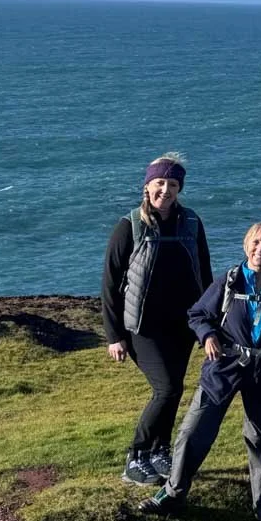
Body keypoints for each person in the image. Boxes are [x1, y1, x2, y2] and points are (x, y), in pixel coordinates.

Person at [139, 222, 261, 521]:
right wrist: (207, 335)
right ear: (247, 246)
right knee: (193, 432)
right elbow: (198, 314)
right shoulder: (230, 280)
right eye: (255, 243)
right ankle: (172, 493)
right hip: (223, 368)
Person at [101, 153, 212, 486]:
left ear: (180, 188)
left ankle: (160, 450)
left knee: (174, 391)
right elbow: (109, 283)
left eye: (173, 184)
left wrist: (209, 324)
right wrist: (113, 336)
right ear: (147, 185)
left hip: (182, 326)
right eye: (160, 183)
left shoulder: (191, 223)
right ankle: (136, 456)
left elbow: (205, 275)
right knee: (166, 389)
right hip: (142, 328)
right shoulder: (129, 225)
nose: (166, 189)